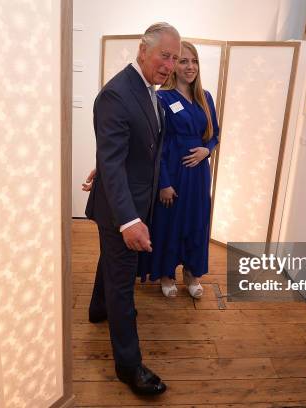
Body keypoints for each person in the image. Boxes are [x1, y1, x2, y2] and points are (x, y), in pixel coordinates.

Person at [84, 22, 181, 395]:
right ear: (143, 50)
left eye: (174, 58)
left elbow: (129, 151)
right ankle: (128, 366)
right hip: (121, 210)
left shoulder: (148, 90)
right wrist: (129, 219)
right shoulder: (117, 94)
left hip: (127, 198)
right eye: (164, 56)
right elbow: (112, 161)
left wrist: (110, 168)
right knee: (123, 283)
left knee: (110, 260)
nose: (170, 64)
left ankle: (97, 308)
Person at [139, 41, 219, 298]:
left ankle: (192, 273)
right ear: (173, 66)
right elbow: (157, 145)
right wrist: (163, 182)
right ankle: (166, 273)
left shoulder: (204, 97)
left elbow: (215, 134)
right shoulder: (161, 97)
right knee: (169, 223)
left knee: (197, 222)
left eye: (194, 61)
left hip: (198, 174)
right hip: (172, 171)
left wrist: (207, 149)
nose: (190, 66)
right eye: (183, 61)